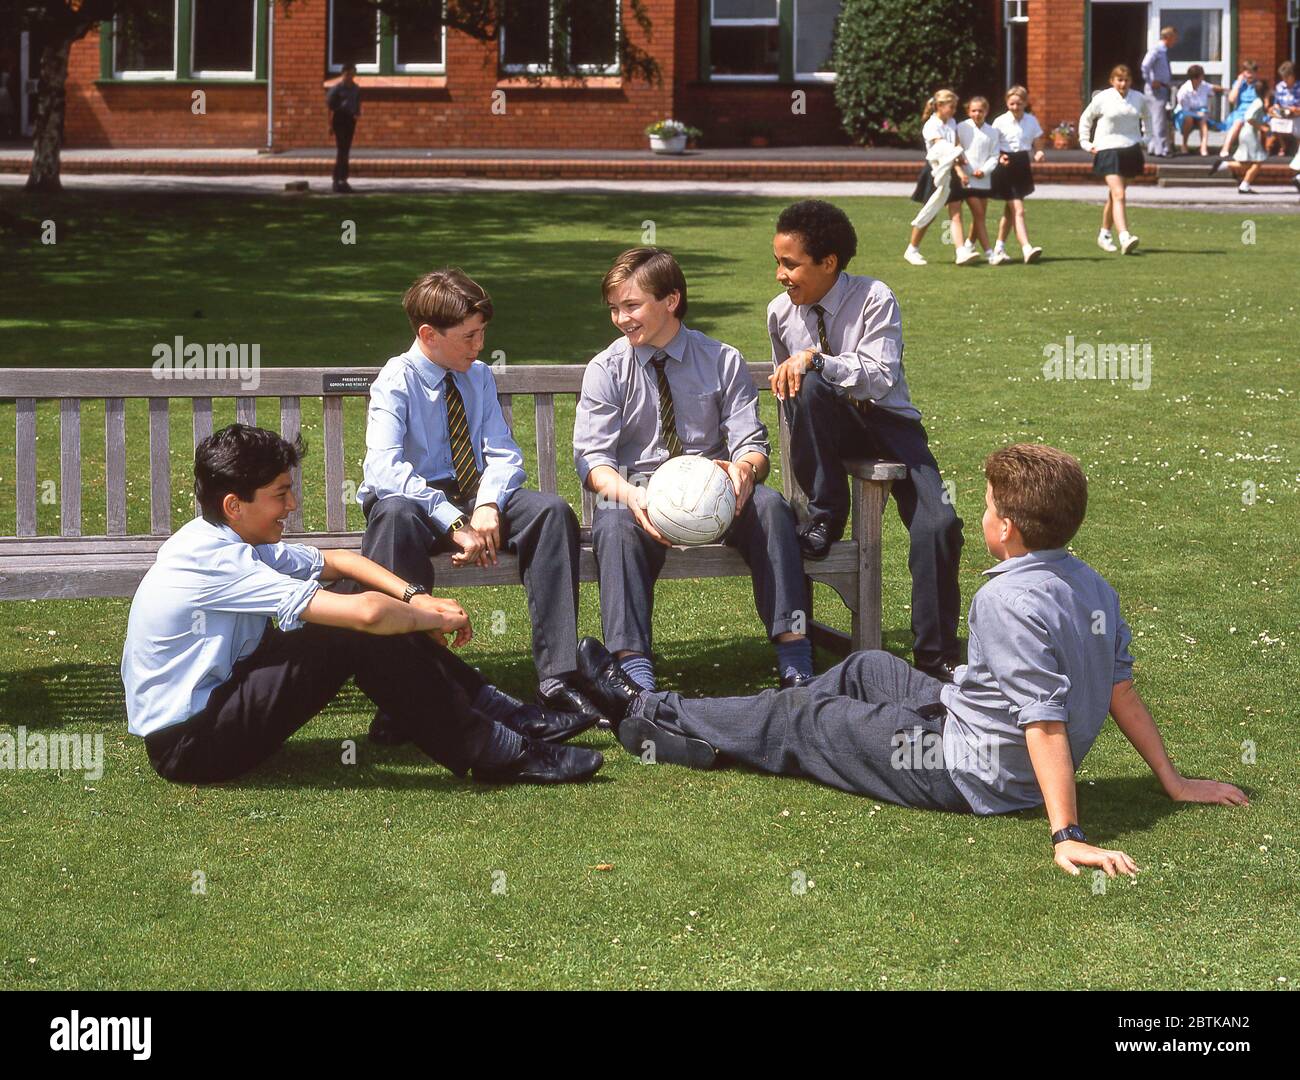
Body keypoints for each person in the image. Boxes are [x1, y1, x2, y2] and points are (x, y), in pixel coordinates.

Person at [573, 443, 1249, 879]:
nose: (980, 515)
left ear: (1006, 528)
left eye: (984, 507)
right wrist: (1173, 780)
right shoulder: (1088, 581)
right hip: (965, 722)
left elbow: (1043, 720)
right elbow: (1119, 687)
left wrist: (1065, 832)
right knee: (867, 668)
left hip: (969, 772)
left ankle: (645, 709)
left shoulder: (1005, 603)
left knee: (805, 715)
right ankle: (704, 732)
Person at [121, 424, 604, 787]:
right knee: (355, 627)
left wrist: (417, 597)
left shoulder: (226, 536)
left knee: (362, 611)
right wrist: (430, 616)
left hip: (223, 699)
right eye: (280, 495)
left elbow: (341, 562)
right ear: (234, 504)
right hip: (192, 747)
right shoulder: (214, 560)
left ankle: (494, 715)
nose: (290, 507)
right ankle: (497, 750)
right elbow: (367, 615)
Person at [358, 269, 604, 744]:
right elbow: (384, 470)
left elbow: (503, 452)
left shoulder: (479, 376)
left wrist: (488, 506)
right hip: (415, 503)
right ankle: (402, 693)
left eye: (483, 333)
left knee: (552, 512)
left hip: (472, 496)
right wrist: (453, 521)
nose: (479, 346)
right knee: (392, 515)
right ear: (428, 335)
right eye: (469, 336)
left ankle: (558, 679)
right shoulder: (396, 380)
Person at [573, 247, 814, 692]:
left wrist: (745, 471)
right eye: (614, 309)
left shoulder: (722, 359)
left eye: (631, 306)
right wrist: (633, 497)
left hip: (715, 489)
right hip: (640, 493)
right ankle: (633, 670)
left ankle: (795, 655)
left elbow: (752, 445)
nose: (621, 319)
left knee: (772, 507)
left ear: (671, 300)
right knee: (612, 520)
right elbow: (592, 460)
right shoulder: (606, 368)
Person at [769, 200, 963, 681]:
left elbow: (877, 378)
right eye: (777, 261)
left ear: (828, 262)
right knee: (808, 385)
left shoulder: (876, 297)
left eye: (790, 263)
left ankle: (934, 657)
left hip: (889, 423)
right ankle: (826, 517)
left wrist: (816, 358)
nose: (779, 275)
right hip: (827, 426)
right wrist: (808, 369)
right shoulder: (779, 313)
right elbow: (791, 393)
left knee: (939, 525)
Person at [1079, 65, 1151, 255]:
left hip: (1131, 150)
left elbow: (1148, 118)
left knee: (1115, 195)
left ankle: (1104, 234)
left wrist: (1147, 139)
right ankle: (1124, 236)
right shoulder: (1102, 98)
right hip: (1107, 150)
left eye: (1126, 80)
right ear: (1112, 81)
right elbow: (1086, 118)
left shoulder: (1138, 98)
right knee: (1119, 194)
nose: (1123, 84)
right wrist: (1086, 142)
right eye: (1119, 80)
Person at [904, 89, 974, 267]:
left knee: (956, 212)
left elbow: (956, 146)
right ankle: (912, 249)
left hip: (950, 170)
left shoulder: (952, 122)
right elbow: (943, 149)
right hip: (935, 171)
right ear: (939, 106)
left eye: (955, 107)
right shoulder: (931, 125)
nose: (953, 110)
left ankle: (960, 252)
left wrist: (959, 171)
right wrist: (959, 156)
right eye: (951, 106)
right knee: (931, 212)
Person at [990, 85, 1046, 264]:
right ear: (1007, 103)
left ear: (1025, 103)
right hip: (1005, 165)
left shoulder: (1031, 120)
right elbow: (991, 144)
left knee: (1010, 211)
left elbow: (1038, 140)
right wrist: (999, 157)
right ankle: (1026, 248)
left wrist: (1038, 152)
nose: (1015, 107)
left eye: (1019, 104)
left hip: (1022, 163)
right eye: (1012, 103)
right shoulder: (999, 121)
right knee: (1018, 210)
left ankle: (999, 247)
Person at [956, 96, 1001, 265]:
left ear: (986, 111)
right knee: (979, 215)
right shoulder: (962, 127)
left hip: (984, 179)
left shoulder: (992, 132)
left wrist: (984, 170)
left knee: (979, 216)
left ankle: (969, 245)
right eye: (973, 110)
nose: (977, 114)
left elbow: (994, 155)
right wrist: (963, 167)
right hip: (966, 180)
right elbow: (957, 149)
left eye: (980, 111)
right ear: (968, 111)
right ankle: (989, 253)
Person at [1213, 60, 1260, 168]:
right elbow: (1231, 99)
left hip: (1254, 112)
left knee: (1253, 122)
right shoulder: (1239, 84)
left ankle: (1257, 152)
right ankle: (1225, 148)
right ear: (1243, 73)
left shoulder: (1258, 85)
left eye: (1252, 72)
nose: (1250, 75)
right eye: (1247, 72)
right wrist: (1239, 82)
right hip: (1241, 112)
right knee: (1238, 123)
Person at [1140, 25, 1178, 157]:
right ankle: (1162, 149)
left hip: (1161, 88)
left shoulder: (1162, 51)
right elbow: (1145, 66)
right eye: (1174, 38)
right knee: (1158, 119)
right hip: (1156, 90)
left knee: (1154, 118)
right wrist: (1151, 81)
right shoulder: (1157, 49)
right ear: (1168, 37)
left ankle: (1153, 147)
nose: (1175, 41)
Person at [1227, 80, 1270, 194]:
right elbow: (1249, 117)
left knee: (1247, 163)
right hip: (1250, 135)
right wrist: (1262, 127)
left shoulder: (1258, 101)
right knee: (1258, 161)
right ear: (1265, 91)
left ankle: (1223, 164)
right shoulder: (1258, 103)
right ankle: (1244, 185)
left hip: (1248, 133)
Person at [1174, 64, 1225, 156]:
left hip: (1200, 113)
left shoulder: (1203, 85)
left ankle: (1203, 147)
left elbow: (1213, 87)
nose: (1203, 78)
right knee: (1189, 118)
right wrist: (1198, 113)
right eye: (1202, 76)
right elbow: (1185, 109)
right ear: (1196, 78)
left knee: (1203, 120)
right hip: (1185, 114)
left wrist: (1225, 89)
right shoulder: (1184, 91)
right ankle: (1184, 144)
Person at [326, 63, 360, 194]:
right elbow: (329, 107)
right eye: (347, 74)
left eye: (352, 74)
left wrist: (356, 114)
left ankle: (343, 179)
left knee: (346, 149)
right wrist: (329, 125)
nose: (349, 77)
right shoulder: (337, 89)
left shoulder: (356, 88)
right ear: (343, 74)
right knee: (342, 149)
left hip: (350, 120)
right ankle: (337, 180)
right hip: (339, 119)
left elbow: (357, 102)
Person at [1266, 61, 1298, 158]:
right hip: (1283, 114)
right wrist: (1275, 107)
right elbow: (1277, 103)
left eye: (1287, 77)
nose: (1285, 79)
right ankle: (1283, 146)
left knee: (1297, 124)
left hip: (1296, 114)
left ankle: (1298, 149)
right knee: (1273, 122)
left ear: (1293, 76)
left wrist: (1295, 109)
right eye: (1283, 77)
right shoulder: (1280, 87)